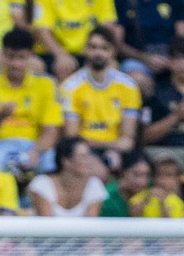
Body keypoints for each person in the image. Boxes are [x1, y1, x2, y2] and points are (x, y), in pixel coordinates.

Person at [0, 27, 64, 173]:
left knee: (51, 161)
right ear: (2, 55)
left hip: (34, 145)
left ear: (31, 56)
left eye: (21, 57)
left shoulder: (47, 84)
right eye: (10, 57)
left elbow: (51, 132)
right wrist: (0, 116)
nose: (16, 64)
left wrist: (35, 152)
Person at [60, 27, 140, 171]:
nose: (98, 53)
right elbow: (71, 138)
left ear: (113, 52)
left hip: (116, 150)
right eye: (93, 47)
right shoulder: (70, 87)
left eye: (104, 48)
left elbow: (128, 139)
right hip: (84, 151)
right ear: (85, 49)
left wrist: (111, 148)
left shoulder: (128, 86)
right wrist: (108, 146)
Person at [32, 0, 121, 81]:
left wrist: (92, 54)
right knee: (64, 66)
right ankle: (65, 98)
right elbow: (42, 32)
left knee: (111, 66)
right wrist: (61, 55)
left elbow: (106, 29)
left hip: (89, 50)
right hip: (55, 52)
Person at [27, 136, 107, 214]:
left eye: (89, 155)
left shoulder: (94, 185)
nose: (89, 161)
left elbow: (90, 225)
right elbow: (46, 224)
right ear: (66, 161)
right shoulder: (42, 184)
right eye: (83, 156)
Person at [141, 37, 184, 168]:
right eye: (180, 58)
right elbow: (144, 137)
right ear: (170, 61)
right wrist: (176, 117)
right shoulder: (156, 94)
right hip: (164, 152)